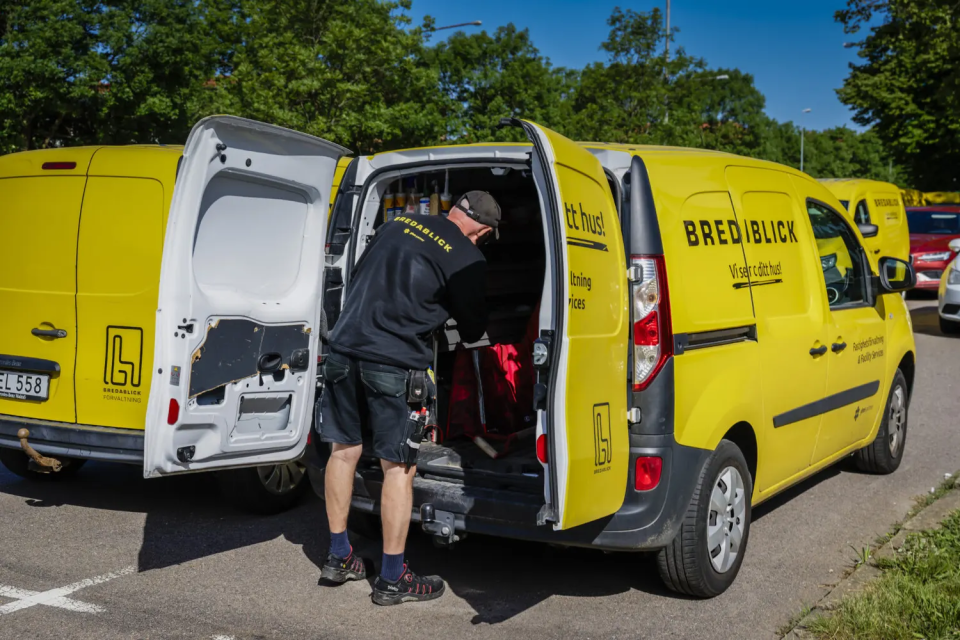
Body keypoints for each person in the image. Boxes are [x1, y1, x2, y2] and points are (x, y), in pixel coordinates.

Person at [318, 190, 501, 605]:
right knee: (399, 468)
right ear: (483, 231)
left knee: (343, 451)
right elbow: (472, 329)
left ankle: (338, 556)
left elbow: (359, 278)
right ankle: (392, 578)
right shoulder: (467, 257)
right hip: (395, 363)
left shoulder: (395, 225)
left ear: (452, 209)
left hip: (343, 350)